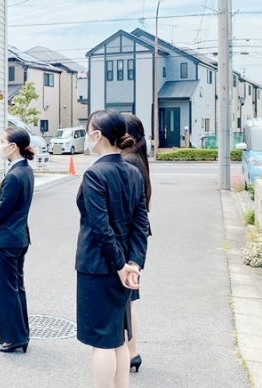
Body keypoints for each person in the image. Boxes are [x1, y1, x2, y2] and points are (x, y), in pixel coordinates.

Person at [76, 109, 149, 388]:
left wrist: (120, 266)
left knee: (102, 342)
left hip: (98, 267)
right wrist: (134, 263)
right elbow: (141, 224)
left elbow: (101, 228)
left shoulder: (95, 174)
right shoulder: (133, 172)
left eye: (88, 132)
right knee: (118, 337)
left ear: (97, 135)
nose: (87, 137)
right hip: (125, 266)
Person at [0, 127, 35, 354]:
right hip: (20, 237)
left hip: (7, 239)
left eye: (2, 141)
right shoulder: (25, 170)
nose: (0, 145)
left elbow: (2, 209)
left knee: (7, 290)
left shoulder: (15, 175)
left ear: (13, 146)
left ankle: (12, 338)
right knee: (17, 287)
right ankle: (21, 334)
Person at [121, 114, 153, 373]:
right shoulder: (137, 160)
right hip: (133, 239)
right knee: (128, 300)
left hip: (127, 239)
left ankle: (130, 351)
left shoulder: (128, 162)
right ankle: (133, 351)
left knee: (125, 299)